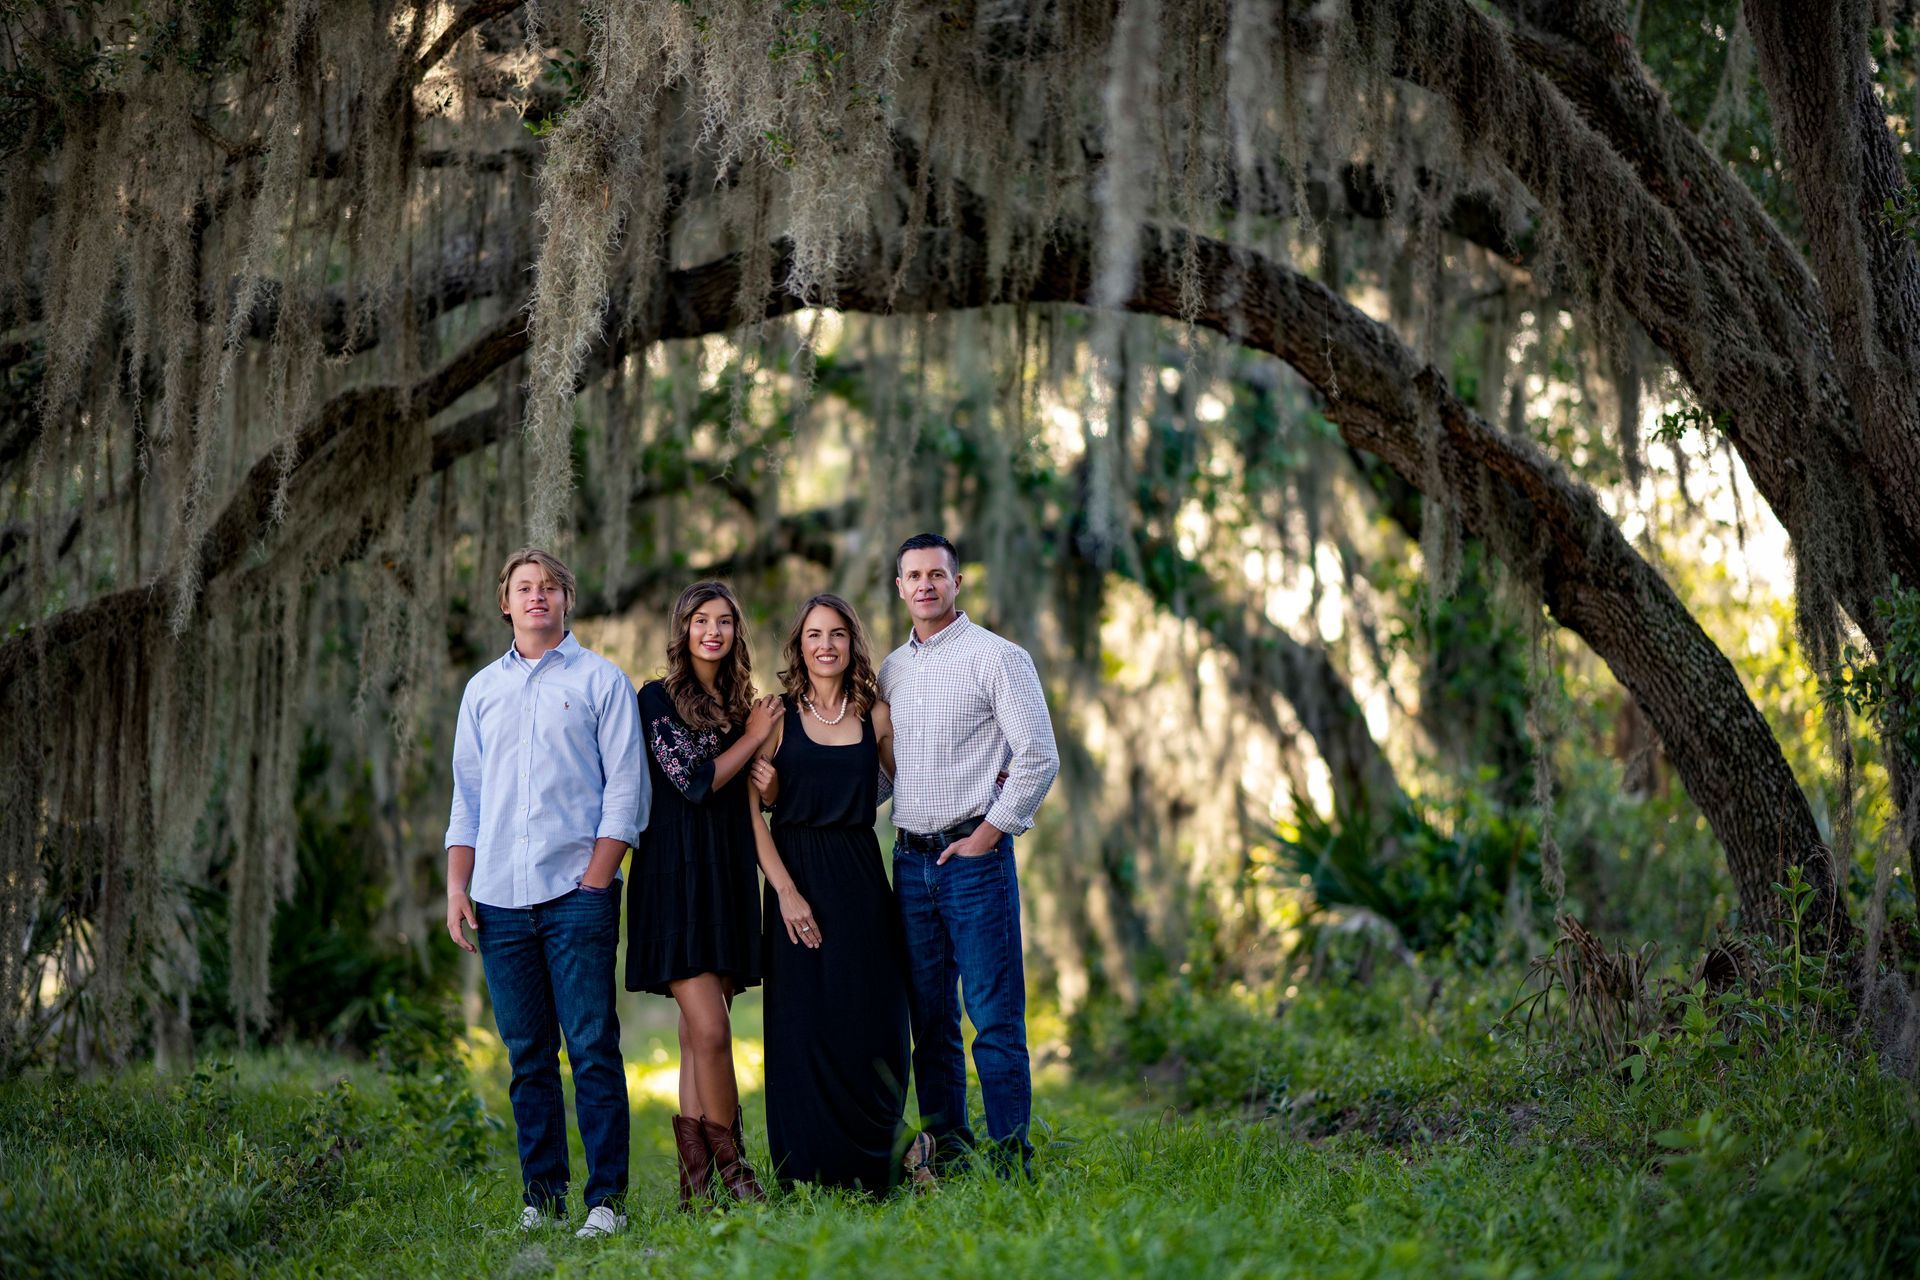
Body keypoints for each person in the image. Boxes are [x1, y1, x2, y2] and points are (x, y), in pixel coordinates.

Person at [444, 548, 644, 1239]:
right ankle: (544, 1196)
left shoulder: (601, 681)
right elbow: (466, 798)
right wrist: (457, 887)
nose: (537, 597)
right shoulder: (481, 691)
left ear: (567, 600)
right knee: (527, 1055)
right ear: (506, 602)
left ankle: (606, 1201)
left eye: (550, 587)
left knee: (591, 1047)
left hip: (575, 896)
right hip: (499, 899)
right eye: (524, 588)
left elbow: (626, 789)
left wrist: (596, 880)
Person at [881, 532, 1060, 1177]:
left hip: (974, 861)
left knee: (994, 1019)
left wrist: (988, 835)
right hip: (908, 861)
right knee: (930, 1022)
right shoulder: (890, 671)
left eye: (937, 574)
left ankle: (1013, 1161)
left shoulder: (999, 659)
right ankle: (951, 1156)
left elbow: (1039, 757)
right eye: (913, 576)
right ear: (899, 587)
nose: (925, 585)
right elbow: (885, 775)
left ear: (957, 582)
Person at [747, 593, 930, 1193]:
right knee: (803, 1027)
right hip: (795, 877)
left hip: (860, 880)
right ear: (799, 646)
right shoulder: (775, 716)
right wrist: (785, 891)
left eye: (838, 635)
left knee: (873, 1020)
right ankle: (808, 1170)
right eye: (814, 635)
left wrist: (987, 780)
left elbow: (919, 781)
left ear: (852, 644)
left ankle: (888, 1154)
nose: (826, 645)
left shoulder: (874, 714)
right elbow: (749, 815)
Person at [625, 580, 782, 1208]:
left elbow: (757, 792)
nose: (711, 632)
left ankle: (697, 1191)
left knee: (696, 1038)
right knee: (714, 1033)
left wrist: (766, 768)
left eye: (722, 622)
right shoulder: (656, 699)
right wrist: (753, 737)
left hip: (726, 875)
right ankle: (738, 1174)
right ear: (683, 629)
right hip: (675, 877)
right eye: (700, 621)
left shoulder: (744, 705)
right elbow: (692, 781)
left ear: (735, 632)